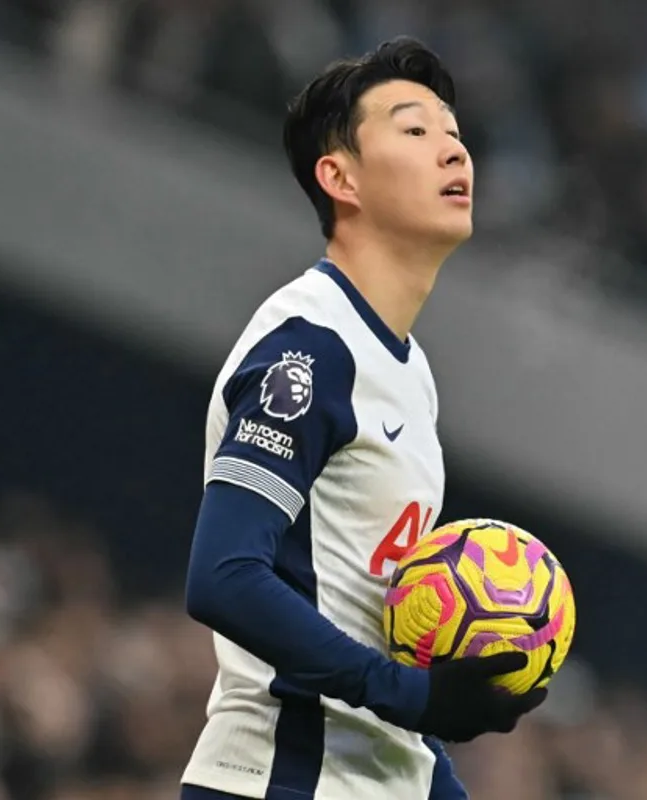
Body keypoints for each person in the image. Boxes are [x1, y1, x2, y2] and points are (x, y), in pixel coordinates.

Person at [179, 37, 546, 800]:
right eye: (416, 131)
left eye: (454, 133)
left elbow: (358, 607)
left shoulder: (407, 370)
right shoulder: (309, 349)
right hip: (281, 781)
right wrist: (414, 696)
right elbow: (224, 576)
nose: (454, 151)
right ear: (339, 176)